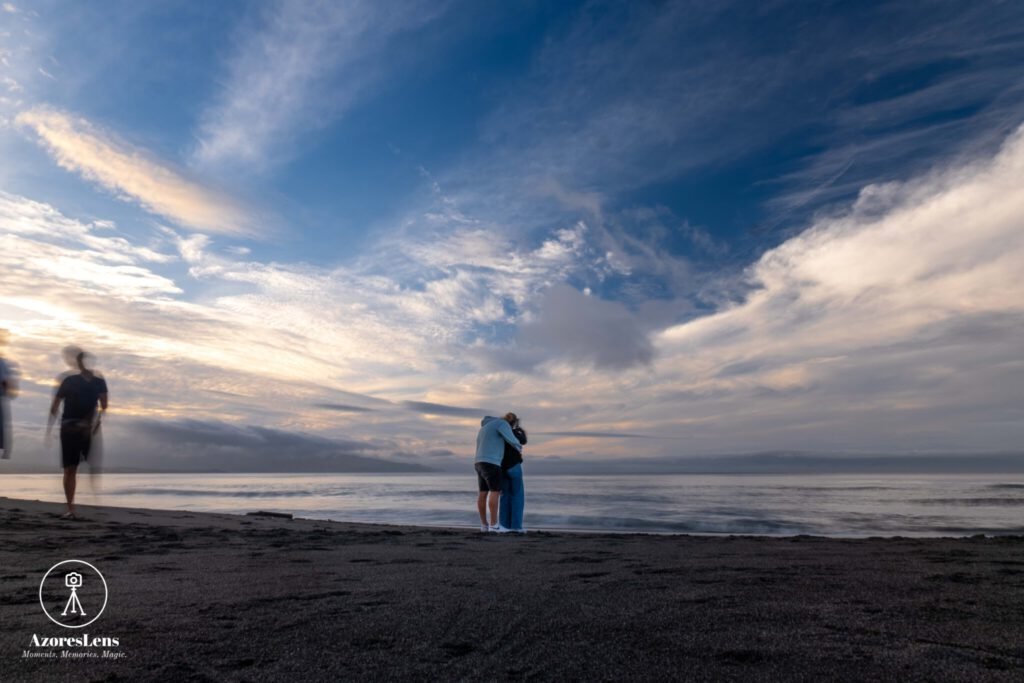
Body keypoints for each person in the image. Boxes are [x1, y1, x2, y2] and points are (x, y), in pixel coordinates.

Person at [47, 351, 108, 519]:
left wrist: (53, 425)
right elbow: (104, 405)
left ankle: (73, 508)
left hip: (76, 427)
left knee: (72, 469)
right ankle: (75, 507)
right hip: (78, 427)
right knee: (74, 468)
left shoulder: (76, 380)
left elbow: (54, 406)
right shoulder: (89, 381)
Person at [474, 413, 521, 532]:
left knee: (482, 493)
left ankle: (484, 525)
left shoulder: (484, 428)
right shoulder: (502, 424)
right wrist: (518, 447)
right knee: (495, 492)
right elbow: (512, 439)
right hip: (492, 462)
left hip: (478, 462)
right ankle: (494, 525)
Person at [498, 413, 527, 533]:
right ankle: (516, 527)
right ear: (514, 422)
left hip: (501, 467)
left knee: (505, 497)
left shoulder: (499, 434)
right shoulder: (514, 433)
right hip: (514, 466)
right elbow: (523, 441)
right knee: (517, 496)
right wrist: (521, 430)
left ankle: (504, 526)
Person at [0, 336, 17, 460]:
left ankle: (6, 450)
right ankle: (6, 450)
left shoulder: (2, 363)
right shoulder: (2, 363)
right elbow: (6, 382)